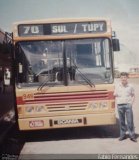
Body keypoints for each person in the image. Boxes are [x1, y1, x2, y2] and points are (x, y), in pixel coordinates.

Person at [114, 72, 137, 142]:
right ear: (120, 78)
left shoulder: (130, 86)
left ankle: (132, 136)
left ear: (127, 78)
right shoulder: (117, 86)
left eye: (125, 77)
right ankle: (122, 135)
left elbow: (133, 95)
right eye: (122, 77)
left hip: (128, 105)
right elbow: (115, 95)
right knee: (121, 121)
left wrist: (131, 104)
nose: (123, 79)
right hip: (120, 105)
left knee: (130, 121)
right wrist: (117, 103)